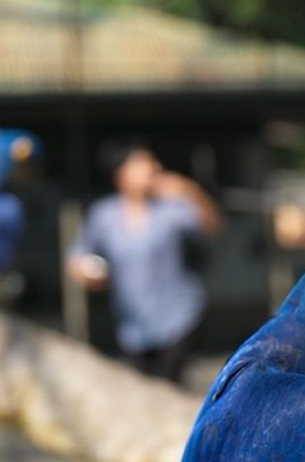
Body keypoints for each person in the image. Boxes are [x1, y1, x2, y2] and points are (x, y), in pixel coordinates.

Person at [66, 139, 222, 382]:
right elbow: (78, 255)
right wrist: (85, 273)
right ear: (121, 175)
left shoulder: (170, 209)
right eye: (142, 163)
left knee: (168, 387)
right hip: (132, 325)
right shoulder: (104, 215)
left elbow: (211, 228)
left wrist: (190, 191)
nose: (153, 168)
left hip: (177, 317)